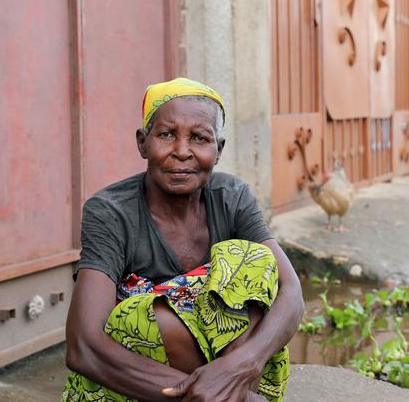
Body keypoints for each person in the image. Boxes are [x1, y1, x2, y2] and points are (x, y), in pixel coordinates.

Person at [62, 78, 304, 401]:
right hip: (137, 387)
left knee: (254, 262)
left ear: (218, 150)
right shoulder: (110, 212)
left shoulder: (231, 197)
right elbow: (84, 346)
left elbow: (292, 293)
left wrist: (238, 368)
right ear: (142, 143)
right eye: (166, 135)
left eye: (200, 138)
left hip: (229, 372)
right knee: (149, 317)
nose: (182, 151)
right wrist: (201, 395)